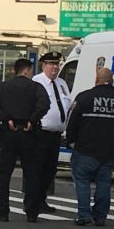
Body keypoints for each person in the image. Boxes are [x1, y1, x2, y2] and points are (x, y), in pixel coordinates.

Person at [66, 68, 114, 226]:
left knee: (82, 181)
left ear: (97, 79)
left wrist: (71, 141)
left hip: (85, 148)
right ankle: (101, 216)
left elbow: (71, 120)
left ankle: (84, 214)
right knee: (104, 183)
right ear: (112, 80)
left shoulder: (84, 97)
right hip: (109, 150)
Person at [0, 58, 50, 222]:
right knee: (31, 173)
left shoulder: (1, 87)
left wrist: (5, 118)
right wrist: (32, 119)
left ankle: (2, 211)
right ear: (27, 70)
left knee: (4, 174)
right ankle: (31, 212)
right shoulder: (35, 87)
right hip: (29, 133)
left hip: (9, 133)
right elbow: (44, 104)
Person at [32, 51, 72, 214]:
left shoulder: (62, 83)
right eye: (51, 64)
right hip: (41, 132)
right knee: (38, 169)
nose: (55, 67)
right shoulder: (37, 82)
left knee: (50, 170)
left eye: (57, 64)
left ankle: (42, 199)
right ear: (44, 65)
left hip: (56, 134)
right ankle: (34, 201)